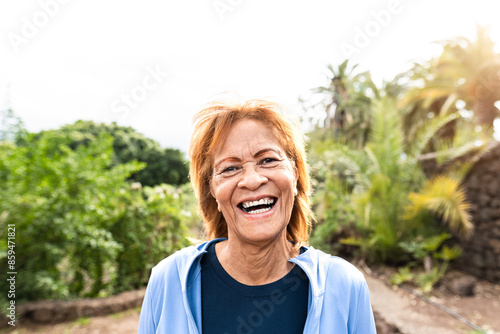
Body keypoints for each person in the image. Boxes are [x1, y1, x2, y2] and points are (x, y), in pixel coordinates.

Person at [137, 99, 377, 334]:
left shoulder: (344, 286)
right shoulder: (169, 281)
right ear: (212, 191)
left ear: (295, 175)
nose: (252, 180)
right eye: (230, 168)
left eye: (268, 160)